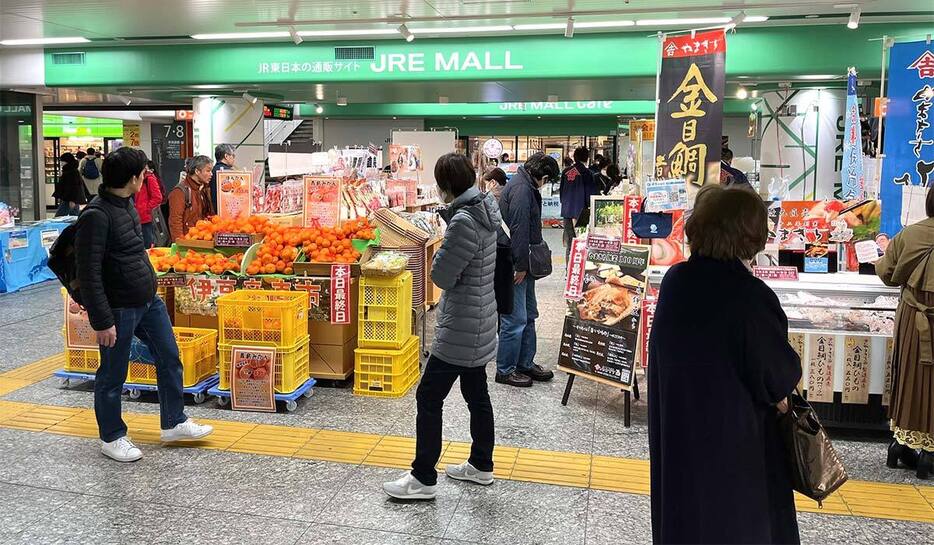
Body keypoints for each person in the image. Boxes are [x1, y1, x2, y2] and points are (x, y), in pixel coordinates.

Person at [648, 184, 801, 544]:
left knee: (685, 522)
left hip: (680, 442)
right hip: (736, 455)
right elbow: (779, 378)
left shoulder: (676, 281)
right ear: (749, 235)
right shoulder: (749, 296)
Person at [75, 147, 213, 463]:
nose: (146, 178)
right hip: (119, 308)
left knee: (169, 354)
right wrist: (101, 320)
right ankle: (112, 437)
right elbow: (89, 273)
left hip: (148, 301)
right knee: (113, 374)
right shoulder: (96, 216)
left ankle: (174, 422)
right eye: (144, 174)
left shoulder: (126, 206)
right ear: (134, 178)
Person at [383, 153, 499, 500]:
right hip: (480, 318)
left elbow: (442, 276)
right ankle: (481, 465)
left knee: (428, 396)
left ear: (446, 187)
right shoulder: (486, 208)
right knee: (477, 395)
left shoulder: (464, 221)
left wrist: (441, 248)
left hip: (461, 325)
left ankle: (423, 478)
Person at [875, 184, 934, 480]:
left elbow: (886, 273)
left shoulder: (909, 234)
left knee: (910, 378)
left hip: (913, 317)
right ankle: (929, 453)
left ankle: (901, 444)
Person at [496, 153, 560, 388]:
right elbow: (519, 229)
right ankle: (505, 369)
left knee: (530, 314)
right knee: (515, 318)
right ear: (541, 176)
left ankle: (525, 363)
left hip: (524, 262)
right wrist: (520, 265)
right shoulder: (522, 190)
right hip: (516, 262)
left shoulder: (523, 184)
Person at [559, 146, 597, 262]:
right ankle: (580, 268)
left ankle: (568, 270)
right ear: (587, 157)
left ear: (574, 157)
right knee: (581, 242)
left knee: (570, 242)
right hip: (581, 213)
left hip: (567, 212)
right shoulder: (587, 173)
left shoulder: (566, 172)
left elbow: (561, 193)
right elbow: (591, 196)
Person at [168, 155, 215, 242]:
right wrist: (180, 245)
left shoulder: (202, 189)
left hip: (199, 239)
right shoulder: (179, 192)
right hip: (188, 242)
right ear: (197, 171)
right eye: (208, 171)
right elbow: (175, 222)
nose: (211, 174)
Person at [134, 161, 164, 248]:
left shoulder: (149, 178)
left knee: (147, 244)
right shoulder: (136, 178)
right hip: (137, 217)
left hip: (146, 218)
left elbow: (158, 197)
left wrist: (147, 209)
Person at [210, 144, 236, 211]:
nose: (234, 159)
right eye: (233, 156)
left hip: (214, 210)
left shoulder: (212, 170)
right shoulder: (228, 172)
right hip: (226, 211)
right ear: (226, 156)